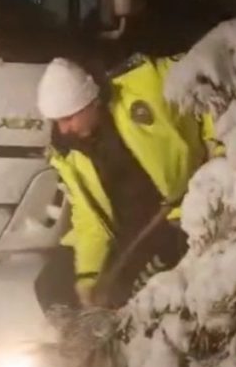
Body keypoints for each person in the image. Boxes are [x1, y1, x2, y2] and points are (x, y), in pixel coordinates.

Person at [37, 55, 219, 308]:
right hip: (127, 234)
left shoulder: (146, 84)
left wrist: (217, 148)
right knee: (51, 287)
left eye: (68, 118)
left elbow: (209, 76)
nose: (64, 129)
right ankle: (82, 341)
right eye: (57, 121)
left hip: (177, 217)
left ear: (91, 101)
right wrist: (88, 275)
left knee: (125, 296)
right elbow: (90, 220)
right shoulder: (71, 154)